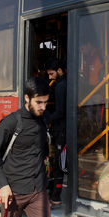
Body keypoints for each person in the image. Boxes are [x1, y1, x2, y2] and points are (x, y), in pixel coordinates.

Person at [0, 77, 51, 217]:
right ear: (27, 98)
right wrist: (2, 186)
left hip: (38, 190)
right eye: (39, 102)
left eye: (46, 102)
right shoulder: (11, 123)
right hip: (14, 191)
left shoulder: (43, 119)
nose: (43, 107)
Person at [44, 58, 67, 205]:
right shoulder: (69, 83)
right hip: (66, 128)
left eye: (51, 73)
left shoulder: (59, 87)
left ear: (59, 71)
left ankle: (56, 196)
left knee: (58, 164)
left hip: (61, 130)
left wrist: (47, 118)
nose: (49, 77)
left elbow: (59, 112)